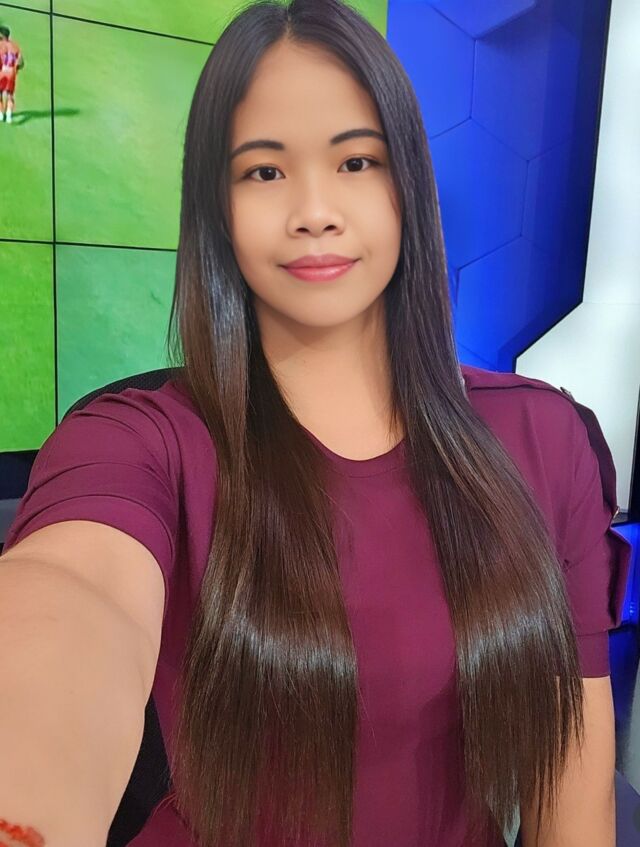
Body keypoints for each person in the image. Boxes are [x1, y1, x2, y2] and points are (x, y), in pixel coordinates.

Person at [0, 1, 631, 845]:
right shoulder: (137, 440)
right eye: (264, 171)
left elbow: (574, 804)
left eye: (356, 161)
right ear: (216, 206)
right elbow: (69, 603)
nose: (314, 210)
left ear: (407, 185)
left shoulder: (544, 440)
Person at [0, 24, 24, 124]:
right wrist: (15, 68)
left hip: (1, 72)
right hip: (11, 73)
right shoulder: (15, 46)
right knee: (10, 94)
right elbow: (21, 62)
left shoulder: (0, 45)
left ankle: (1, 114)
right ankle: (9, 116)